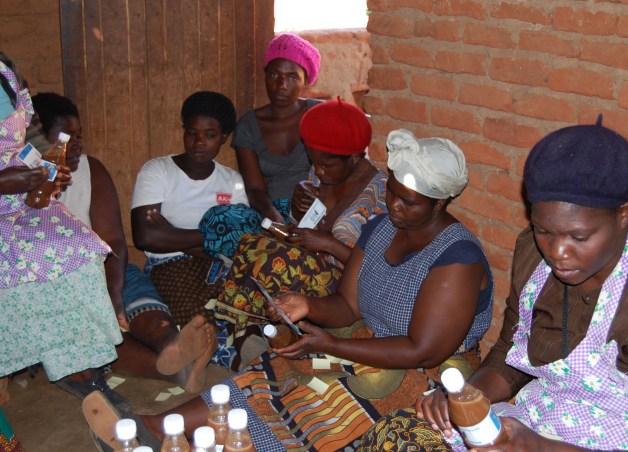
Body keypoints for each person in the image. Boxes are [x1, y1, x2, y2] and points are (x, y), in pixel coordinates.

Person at [83, 128, 495, 451]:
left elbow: (422, 351)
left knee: (330, 401)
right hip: (369, 341)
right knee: (279, 369)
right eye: (391, 192)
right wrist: (307, 305)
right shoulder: (381, 228)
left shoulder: (456, 259)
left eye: (409, 202)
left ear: (440, 203)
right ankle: (157, 427)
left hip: (428, 374)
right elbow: (347, 305)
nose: (394, 206)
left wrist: (333, 345)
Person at [359, 120, 628, 451]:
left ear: (624, 214)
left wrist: (537, 446)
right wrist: (468, 395)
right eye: (544, 230)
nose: (557, 252)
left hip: (614, 441)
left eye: (579, 237)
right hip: (538, 417)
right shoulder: (533, 255)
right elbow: (510, 351)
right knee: (397, 435)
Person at [30, 92, 216, 394]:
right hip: (55, 284)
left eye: (79, 136)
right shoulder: (23, 182)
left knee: (134, 286)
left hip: (101, 265)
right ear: (37, 141)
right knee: (92, 331)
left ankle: (171, 343)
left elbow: (113, 240)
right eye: (65, 137)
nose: (76, 145)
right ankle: (177, 372)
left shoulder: (91, 169)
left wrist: (113, 294)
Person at [211, 98, 387, 369]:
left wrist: (328, 244)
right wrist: (296, 208)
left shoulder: (380, 193)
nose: (318, 171)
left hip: (349, 287)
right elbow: (301, 228)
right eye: (313, 162)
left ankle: (245, 338)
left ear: (354, 157)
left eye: (326, 165)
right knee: (251, 243)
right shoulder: (320, 174)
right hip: (311, 264)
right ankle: (250, 336)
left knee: (275, 262)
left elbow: (379, 268)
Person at [0, 55, 122, 405]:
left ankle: (80, 366)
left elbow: (32, 137)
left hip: (15, 199)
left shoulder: (6, 70)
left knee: (79, 248)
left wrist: (49, 166)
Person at [131, 91, 247, 327]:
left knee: (240, 312)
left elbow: (236, 242)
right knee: (199, 321)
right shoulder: (158, 171)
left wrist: (170, 232)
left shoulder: (231, 180)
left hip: (220, 266)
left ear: (224, 137)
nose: (199, 142)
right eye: (192, 133)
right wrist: (212, 235)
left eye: (210, 135)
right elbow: (145, 237)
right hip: (170, 266)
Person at [231, 33, 322, 224]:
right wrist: (273, 217)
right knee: (219, 218)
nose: (281, 85)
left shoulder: (320, 115)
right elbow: (255, 190)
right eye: (274, 74)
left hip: (319, 209)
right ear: (265, 75)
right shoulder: (248, 126)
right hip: (271, 212)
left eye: (292, 77)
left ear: (305, 80)